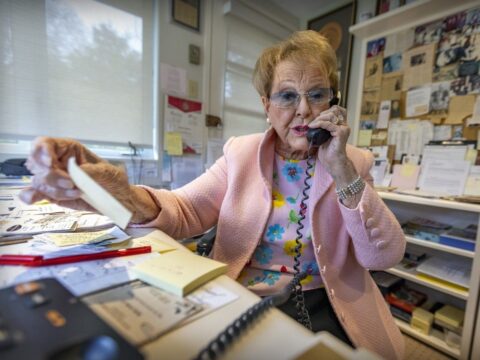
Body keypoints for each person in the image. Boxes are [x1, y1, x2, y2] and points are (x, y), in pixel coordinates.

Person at [20, 30, 406, 359]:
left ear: (333, 102)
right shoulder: (240, 153)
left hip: (329, 301)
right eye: (287, 96)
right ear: (266, 105)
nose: (304, 110)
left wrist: (340, 168)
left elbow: (383, 255)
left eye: (317, 94)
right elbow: (185, 209)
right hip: (242, 296)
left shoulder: (353, 161)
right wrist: (122, 192)